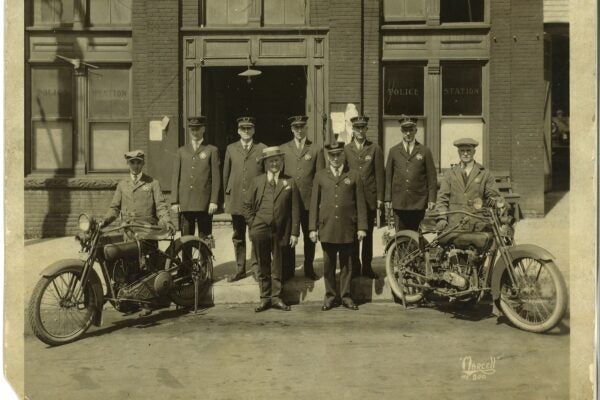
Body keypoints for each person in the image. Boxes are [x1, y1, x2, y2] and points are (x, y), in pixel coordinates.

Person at [309, 142, 368, 311]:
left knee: (347, 264)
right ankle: (330, 296)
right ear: (328, 157)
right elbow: (314, 204)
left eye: (338, 155)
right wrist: (312, 228)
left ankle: (346, 296)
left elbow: (360, 203)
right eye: (332, 155)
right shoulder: (320, 176)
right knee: (328, 264)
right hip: (327, 227)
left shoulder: (354, 175)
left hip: (347, 227)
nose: (335, 158)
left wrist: (362, 227)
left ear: (344, 156)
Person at [242, 146, 300, 312]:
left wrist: (295, 232)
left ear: (281, 162)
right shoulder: (257, 181)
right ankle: (265, 298)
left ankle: (276, 297)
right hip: (260, 228)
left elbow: (295, 208)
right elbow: (246, 205)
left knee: (278, 265)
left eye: (277, 160)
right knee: (263, 263)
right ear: (265, 163)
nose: (274, 164)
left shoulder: (289, 181)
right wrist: (253, 225)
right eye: (271, 161)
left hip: (281, 229)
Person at [280, 115, 325, 281]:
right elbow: (281, 176)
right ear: (292, 129)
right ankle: (289, 269)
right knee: (289, 235)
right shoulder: (284, 149)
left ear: (306, 128)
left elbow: (320, 177)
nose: (299, 131)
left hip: (308, 201)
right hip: (290, 201)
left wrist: (318, 200)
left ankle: (308, 267)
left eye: (302, 127)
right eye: (296, 127)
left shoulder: (315, 149)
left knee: (309, 235)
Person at [223, 116, 266, 282]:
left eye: (249, 128)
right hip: (237, 199)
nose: (246, 131)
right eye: (243, 128)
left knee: (255, 234)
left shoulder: (262, 148)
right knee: (238, 235)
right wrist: (226, 198)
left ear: (254, 130)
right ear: (238, 131)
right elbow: (226, 174)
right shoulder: (231, 149)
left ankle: (256, 269)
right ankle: (240, 269)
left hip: (255, 201)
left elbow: (265, 175)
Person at [344, 115, 384, 279]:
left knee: (367, 235)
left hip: (369, 199)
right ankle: (354, 266)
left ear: (367, 129)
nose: (360, 131)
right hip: (352, 199)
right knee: (353, 234)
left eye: (363, 128)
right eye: (357, 128)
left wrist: (380, 198)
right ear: (352, 130)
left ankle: (367, 266)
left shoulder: (375, 149)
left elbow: (380, 175)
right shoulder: (346, 149)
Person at [102, 150, 175, 237]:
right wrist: (104, 221)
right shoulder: (122, 184)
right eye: (132, 162)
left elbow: (161, 206)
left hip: (148, 231)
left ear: (143, 163)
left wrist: (167, 221)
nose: (135, 166)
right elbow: (114, 208)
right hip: (127, 230)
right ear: (128, 163)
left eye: (138, 162)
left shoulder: (153, 183)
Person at [170, 116, 220, 240]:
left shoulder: (211, 150)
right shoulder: (181, 151)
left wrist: (214, 201)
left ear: (203, 129)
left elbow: (216, 178)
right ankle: (187, 260)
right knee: (186, 237)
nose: (195, 132)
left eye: (197, 129)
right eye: (192, 129)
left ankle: (205, 260)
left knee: (205, 237)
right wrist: (174, 201)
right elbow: (176, 177)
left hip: (204, 202)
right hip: (186, 201)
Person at [435, 138, 502, 231]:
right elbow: (442, 198)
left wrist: (498, 202)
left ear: (474, 152)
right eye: (462, 151)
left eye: (468, 151)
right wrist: (442, 218)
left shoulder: (484, 173)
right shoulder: (450, 174)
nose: (465, 153)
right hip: (454, 224)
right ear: (458, 152)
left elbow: (493, 196)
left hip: (477, 223)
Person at [385, 116, 437, 231]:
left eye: (411, 130)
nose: (408, 133)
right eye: (405, 130)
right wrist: (388, 198)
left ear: (416, 130)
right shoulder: (393, 151)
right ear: (401, 131)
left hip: (418, 202)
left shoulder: (424, 151)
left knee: (416, 236)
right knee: (400, 236)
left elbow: (432, 177)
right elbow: (388, 176)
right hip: (399, 201)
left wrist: (432, 199)